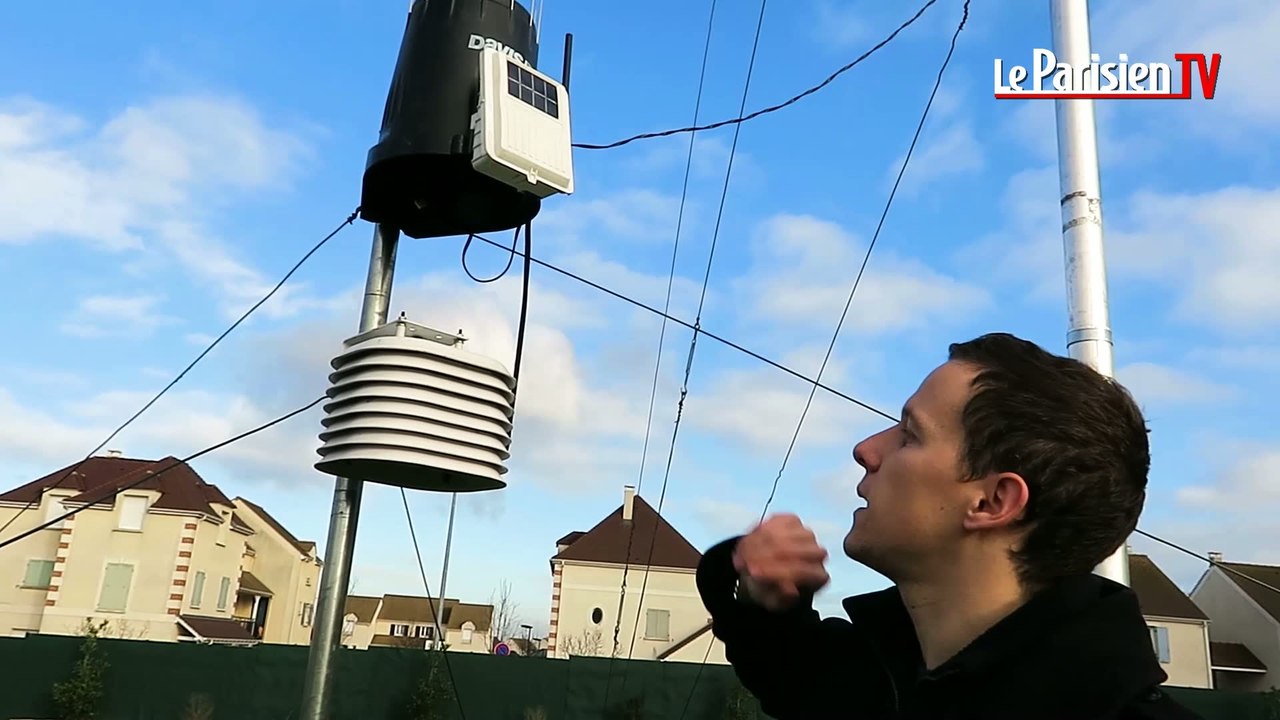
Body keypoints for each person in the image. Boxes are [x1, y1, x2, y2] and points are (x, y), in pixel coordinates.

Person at [697, 333, 1203, 719]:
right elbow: (787, 666)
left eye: (910, 435)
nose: (866, 449)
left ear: (992, 502)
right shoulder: (880, 684)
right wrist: (767, 596)